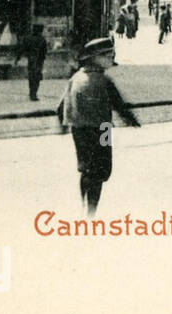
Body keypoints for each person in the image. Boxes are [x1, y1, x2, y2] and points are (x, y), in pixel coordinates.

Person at [55, 37, 140, 216]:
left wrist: (62, 125)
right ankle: (91, 211)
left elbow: (61, 106)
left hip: (78, 130)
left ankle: (85, 206)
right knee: (102, 168)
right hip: (103, 129)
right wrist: (130, 119)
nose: (111, 58)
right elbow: (119, 105)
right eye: (107, 55)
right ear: (94, 57)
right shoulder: (104, 81)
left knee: (85, 167)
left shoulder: (76, 78)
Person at [13, 24, 49, 100]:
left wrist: (17, 59)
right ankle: (34, 94)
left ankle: (31, 93)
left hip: (31, 61)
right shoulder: (42, 39)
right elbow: (44, 51)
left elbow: (22, 49)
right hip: (39, 61)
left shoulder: (28, 38)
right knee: (37, 78)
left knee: (31, 77)